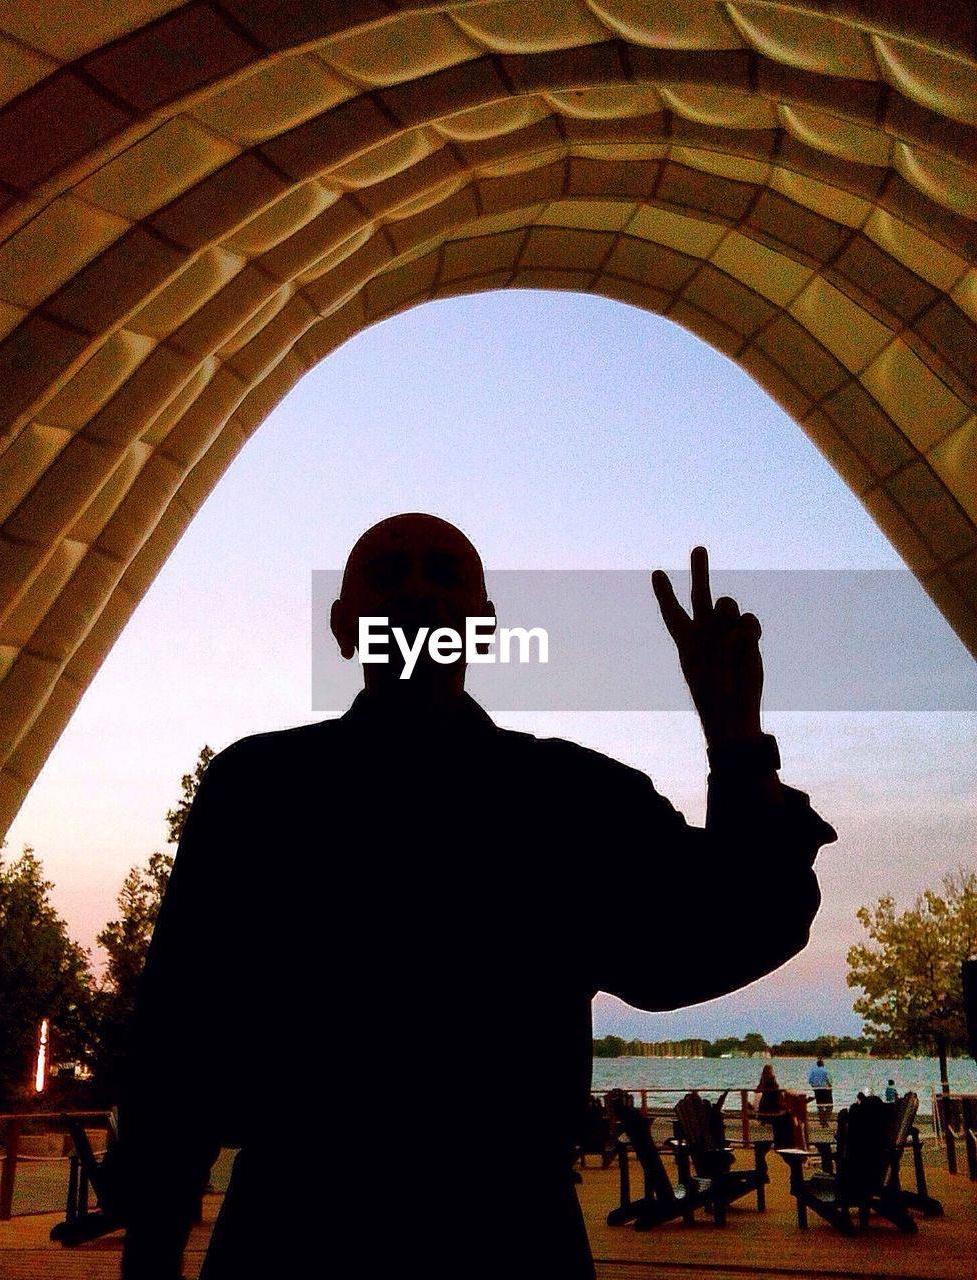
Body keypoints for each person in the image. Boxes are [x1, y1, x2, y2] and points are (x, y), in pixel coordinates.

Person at [115, 514, 836, 1280]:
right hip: (342, 1232)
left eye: (443, 573)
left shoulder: (571, 799)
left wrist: (738, 744)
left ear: (482, 626)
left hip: (456, 1236)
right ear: (343, 625)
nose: (418, 589)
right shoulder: (254, 792)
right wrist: (150, 1248)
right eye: (391, 574)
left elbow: (734, 924)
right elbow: (178, 1040)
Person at [808, 1057, 834, 1126]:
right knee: (830, 1106)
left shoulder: (813, 1072)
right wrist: (830, 1087)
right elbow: (829, 1081)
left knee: (820, 1106)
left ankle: (822, 1121)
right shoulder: (826, 1071)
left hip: (817, 1090)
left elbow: (810, 1081)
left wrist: (814, 1087)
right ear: (823, 1064)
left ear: (817, 1064)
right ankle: (824, 1120)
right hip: (825, 1090)